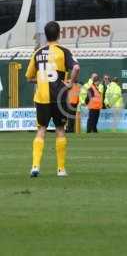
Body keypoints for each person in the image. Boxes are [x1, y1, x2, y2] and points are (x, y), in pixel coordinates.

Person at [25, 21, 80, 177]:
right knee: (60, 130)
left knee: (41, 130)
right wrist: (71, 82)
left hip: (42, 98)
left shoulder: (37, 53)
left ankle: (35, 166)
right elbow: (76, 67)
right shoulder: (64, 52)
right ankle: (61, 169)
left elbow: (29, 77)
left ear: (45, 34)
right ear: (59, 33)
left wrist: (40, 80)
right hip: (59, 98)